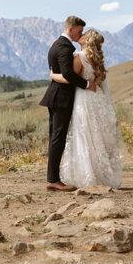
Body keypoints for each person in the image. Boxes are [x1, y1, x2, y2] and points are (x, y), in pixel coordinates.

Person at [50, 29, 126, 189]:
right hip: (96, 99)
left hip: (83, 99)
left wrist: (53, 75)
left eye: (84, 34)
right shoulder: (95, 58)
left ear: (87, 41)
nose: (81, 35)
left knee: (84, 135)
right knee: (95, 135)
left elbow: (69, 77)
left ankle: (87, 176)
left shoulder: (81, 56)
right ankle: (99, 174)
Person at [39, 16, 96, 192]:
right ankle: (53, 180)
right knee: (58, 138)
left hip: (56, 97)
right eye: (79, 31)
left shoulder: (56, 44)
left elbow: (58, 72)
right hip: (61, 99)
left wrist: (53, 76)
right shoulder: (64, 47)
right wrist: (87, 85)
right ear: (70, 29)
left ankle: (53, 178)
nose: (80, 35)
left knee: (56, 137)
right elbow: (68, 74)